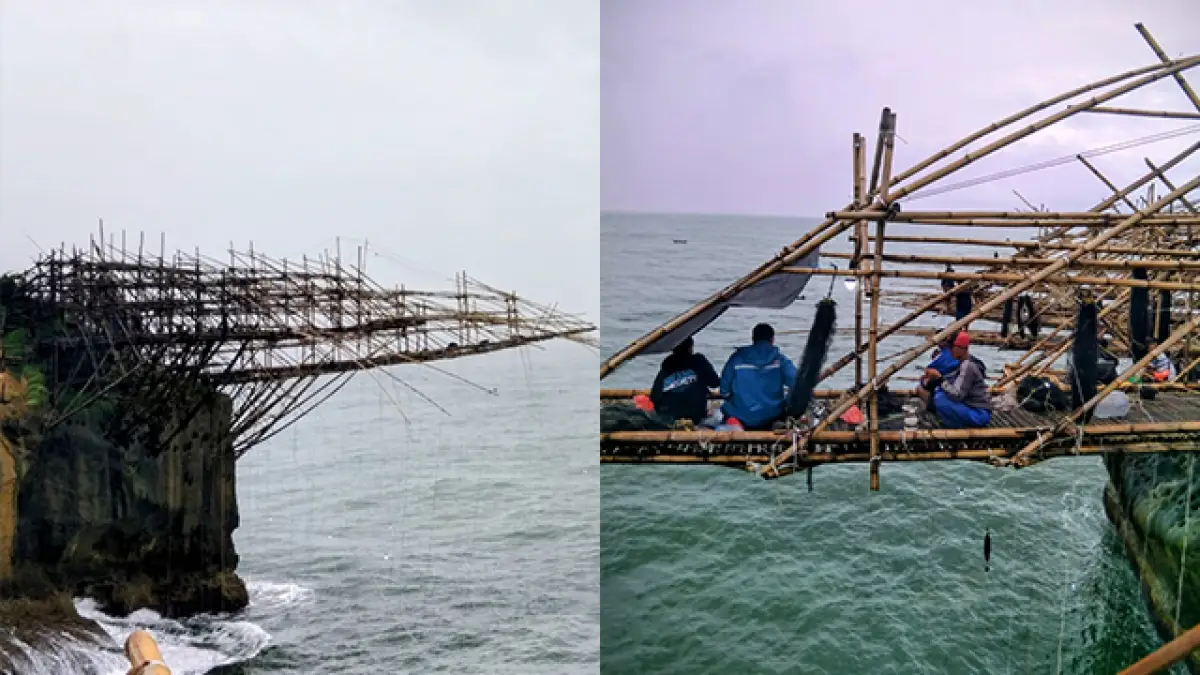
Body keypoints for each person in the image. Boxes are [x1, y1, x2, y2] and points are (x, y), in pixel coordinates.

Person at [719, 323, 797, 430]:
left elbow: (724, 391)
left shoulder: (736, 358)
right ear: (772, 339)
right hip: (772, 416)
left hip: (741, 416)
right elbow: (796, 383)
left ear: (753, 338)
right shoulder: (780, 360)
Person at [916, 331, 992, 428]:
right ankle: (955, 423)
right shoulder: (962, 363)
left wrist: (940, 379)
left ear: (961, 348)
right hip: (969, 406)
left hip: (979, 414)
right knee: (940, 394)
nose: (950, 350)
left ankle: (957, 425)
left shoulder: (968, 366)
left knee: (940, 399)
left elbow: (957, 395)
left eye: (952, 347)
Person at [649, 336, 720, 423]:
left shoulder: (667, 366)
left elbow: (654, 396)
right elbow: (714, 382)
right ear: (690, 348)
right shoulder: (698, 361)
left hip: (669, 416)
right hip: (695, 415)